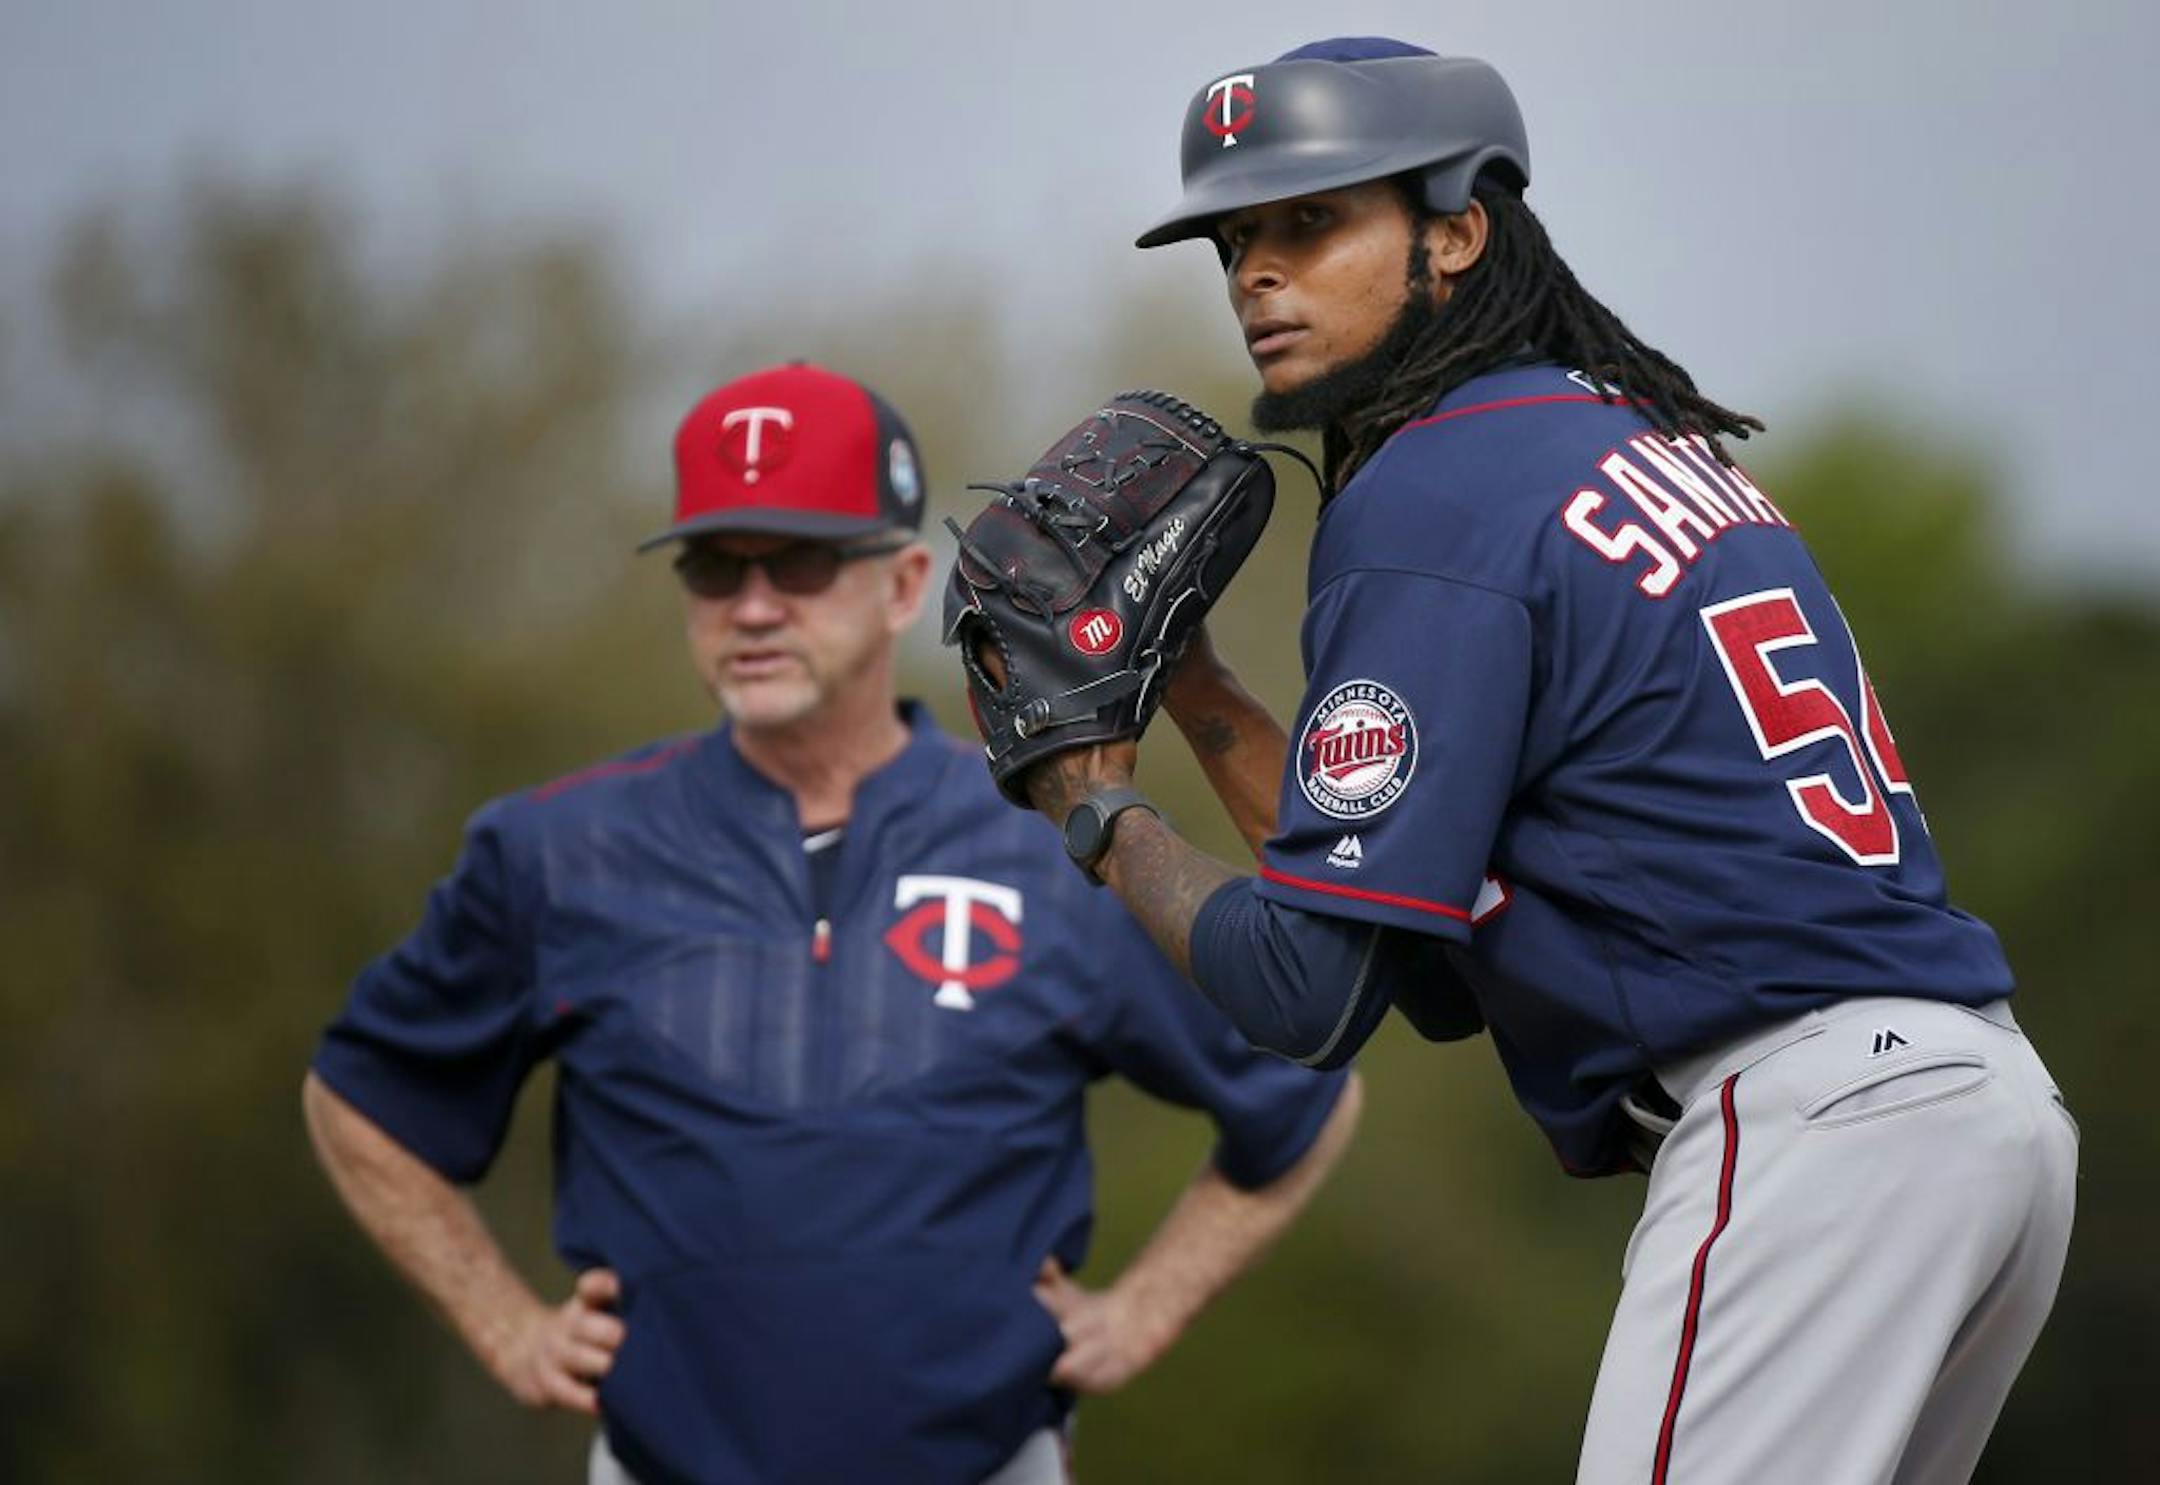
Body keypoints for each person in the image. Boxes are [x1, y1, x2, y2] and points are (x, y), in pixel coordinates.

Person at [1000, 37, 2077, 1485]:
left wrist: (1092, 803)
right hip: (1975, 1112)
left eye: (1312, 221)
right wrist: (1195, 685)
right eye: (1238, 239)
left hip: (1813, 1131)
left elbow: (1304, 996)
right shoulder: (1624, 440)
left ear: (1457, 229)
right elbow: (1421, 971)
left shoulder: (1432, 488)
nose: (1258, 272)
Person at [302, 362, 1360, 1485]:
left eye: (801, 562)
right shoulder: (557, 852)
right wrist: (506, 1325)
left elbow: (1302, 1093)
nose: (753, 606)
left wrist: (1145, 1309)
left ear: (906, 584)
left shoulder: (1052, 843)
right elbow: (362, 1103)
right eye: (717, 567)